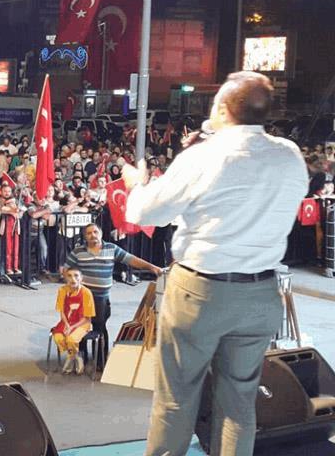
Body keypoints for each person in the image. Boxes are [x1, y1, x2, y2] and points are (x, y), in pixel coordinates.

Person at [125, 72, 308, 456]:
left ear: (223, 109)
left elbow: (145, 213)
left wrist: (137, 184)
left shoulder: (202, 157)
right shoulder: (289, 154)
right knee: (239, 403)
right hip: (260, 293)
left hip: (201, 293)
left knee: (176, 400)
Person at [65, 223, 161, 367]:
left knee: (100, 327)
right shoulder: (77, 252)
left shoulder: (112, 249)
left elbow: (131, 259)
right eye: (89, 233)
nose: (93, 235)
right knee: (81, 327)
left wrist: (151, 267)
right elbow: (66, 269)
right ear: (85, 236)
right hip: (82, 298)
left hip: (101, 299)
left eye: (95, 232)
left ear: (101, 233)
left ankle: (100, 361)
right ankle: (82, 357)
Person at [51, 267, 95, 375]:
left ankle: (71, 359)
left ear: (81, 278)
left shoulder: (86, 293)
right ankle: (75, 355)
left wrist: (72, 327)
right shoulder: (62, 290)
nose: (73, 279)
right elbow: (62, 311)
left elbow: (87, 318)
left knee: (71, 339)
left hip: (82, 323)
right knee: (58, 338)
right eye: (69, 276)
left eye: (76, 276)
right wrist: (66, 324)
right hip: (66, 322)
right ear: (65, 278)